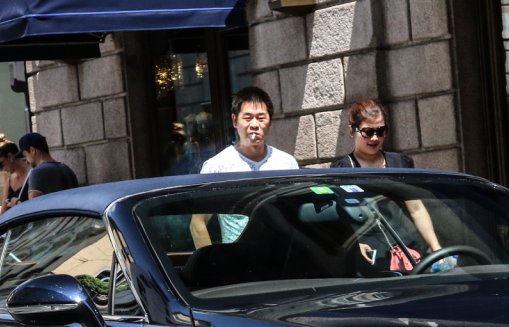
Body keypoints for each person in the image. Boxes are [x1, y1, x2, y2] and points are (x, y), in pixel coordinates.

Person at [328, 99, 445, 269]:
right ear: (352, 131)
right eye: (367, 132)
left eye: (381, 131)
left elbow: (416, 208)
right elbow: (338, 214)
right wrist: (354, 245)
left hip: (407, 251)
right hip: (367, 254)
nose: (375, 138)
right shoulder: (342, 169)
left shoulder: (400, 163)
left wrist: (436, 248)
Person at [191, 86, 299, 247]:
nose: (254, 125)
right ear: (235, 121)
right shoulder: (217, 166)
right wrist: (213, 265)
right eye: (247, 118)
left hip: (281, 261)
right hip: (236, 263)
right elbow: (197, 225)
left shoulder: (287, 163)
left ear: (270, 121)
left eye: (261, 118)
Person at [16, 132, 79, 201]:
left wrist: (17, 203)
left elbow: (33, 206)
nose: (27, 161)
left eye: (26, 156)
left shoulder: (37, 172)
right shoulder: (66, 169)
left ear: (32, 150)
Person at [0, 133, 31, 216]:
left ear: (10, 156)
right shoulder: (10, 181)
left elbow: (36, 208)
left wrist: (17, 204)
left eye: (0, 164)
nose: (0, 169)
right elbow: (2, 214)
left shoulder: (33, 174)